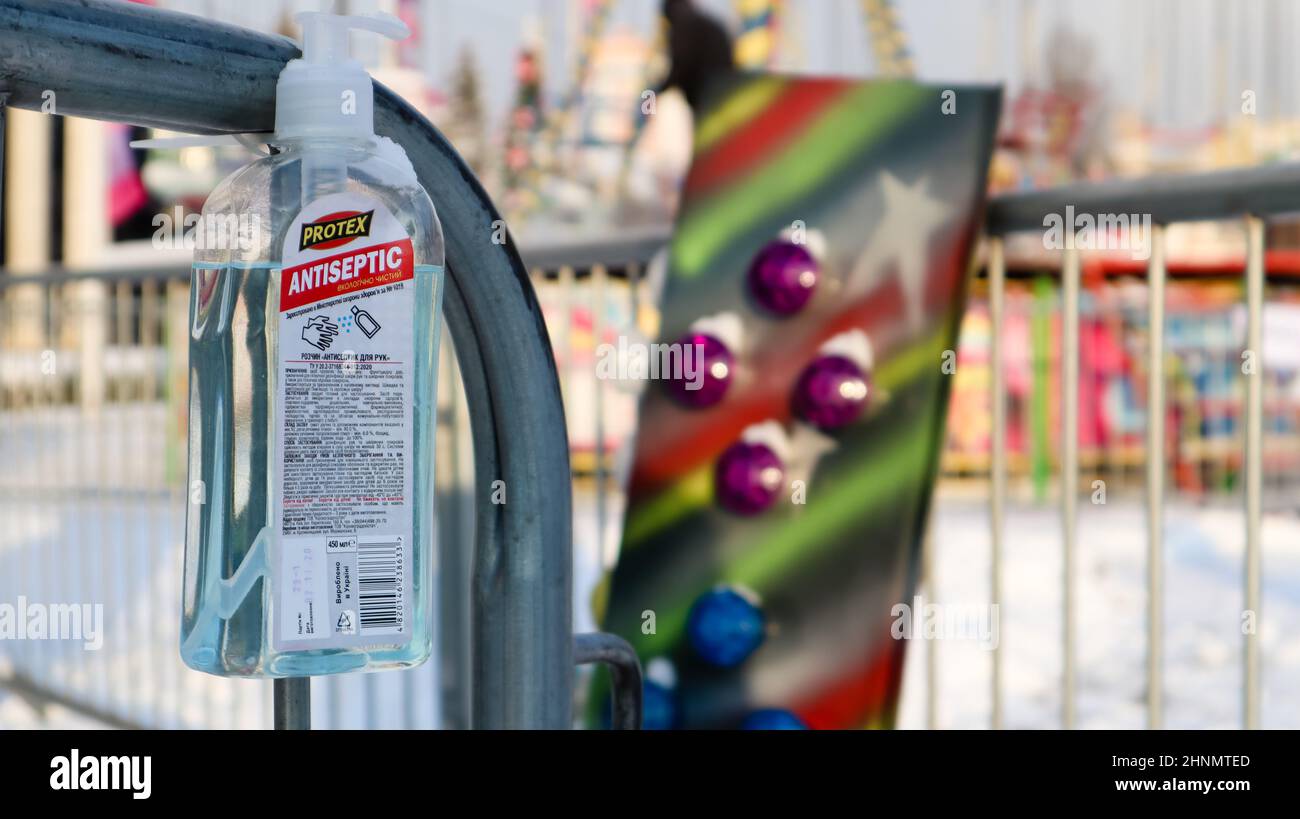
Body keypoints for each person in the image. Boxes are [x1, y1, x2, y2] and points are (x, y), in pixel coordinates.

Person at [659, 0, 735, 112]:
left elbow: (681, 67)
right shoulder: (710, 23)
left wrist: (660, 92)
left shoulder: (682, 29)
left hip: (706, 94)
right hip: (724, 91)